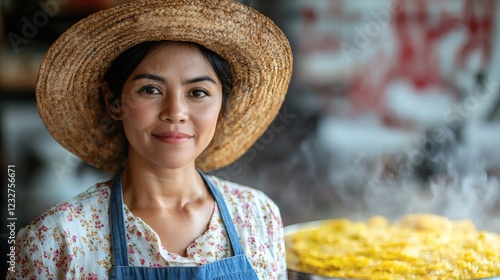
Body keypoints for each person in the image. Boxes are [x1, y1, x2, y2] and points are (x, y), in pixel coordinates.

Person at [7, 0, 292, 279]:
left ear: (222, 105)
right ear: (114, 102)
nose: (175, 113)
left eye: (198, 93)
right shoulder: (57, 241)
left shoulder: (258, 217)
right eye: (151, 90)